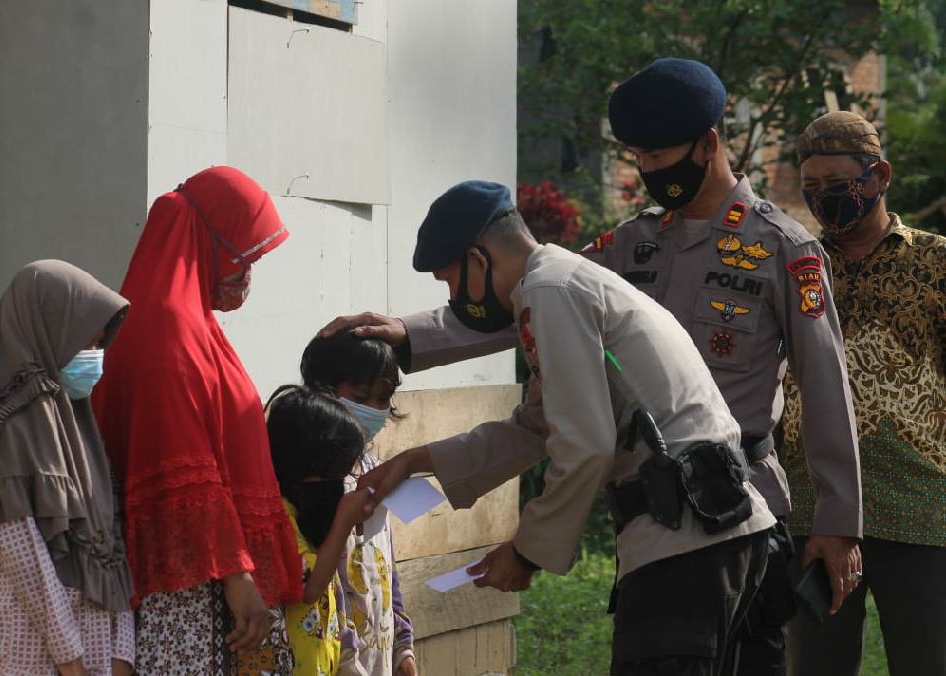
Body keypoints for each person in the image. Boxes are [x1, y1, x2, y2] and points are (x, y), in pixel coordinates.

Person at [328, 58, 864, 676]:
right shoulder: (622, 247)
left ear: (708, 144)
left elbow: (826, 387)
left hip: (736, 494)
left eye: (659, 155)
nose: (647, 171)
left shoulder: (782, 245)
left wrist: (839, 521)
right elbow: (514, 307)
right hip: (657, 503)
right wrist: (406, 338)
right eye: (638, 156)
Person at [357, 180, 778, 674]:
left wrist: (525, 552)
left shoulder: (549, 289)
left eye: (450, 280)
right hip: (713, 531)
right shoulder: (558, 283)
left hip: (687, 540)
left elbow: (586, 447)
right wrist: (413, 460)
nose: (453, 297)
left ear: (479, 258)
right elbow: (538, 426)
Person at [91, 166, 304, 675]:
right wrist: (236, 578)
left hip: (206, 575)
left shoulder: (189, 322)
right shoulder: (170, 329)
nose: (246, 271)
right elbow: (184, 463)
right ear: (207, 241)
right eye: (243, 256)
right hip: (191, 588)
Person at [781, 111, 946, 676]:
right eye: (811, 189)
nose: (824, 199)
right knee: (818, 666)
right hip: (813, 508)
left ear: (879, 177)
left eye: (837, 185)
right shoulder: (796, 265)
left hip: (921, 510)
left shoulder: (936, 263)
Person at [0, 260, 135, 676]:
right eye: (85, 342)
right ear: (48, 334)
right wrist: (70, 660)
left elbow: (111, 543)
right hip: (26, 655)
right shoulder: (11, 428)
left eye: (99, 343)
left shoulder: (81, 429)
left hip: (93, 658)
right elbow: (24, 554)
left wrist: (122, 653)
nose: (95, 357)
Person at [300, 331, 417, 676]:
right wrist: (348, 660)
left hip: (378, 659)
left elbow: (387, 566)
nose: (375, 411)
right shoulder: (313, 481)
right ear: (322, 392)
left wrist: (402, 646)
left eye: (384, 399)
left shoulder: (373, 471)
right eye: (361, 396)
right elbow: (319, 582)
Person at [245, 385, 373, 675]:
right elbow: (309, 587)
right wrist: (344, 520)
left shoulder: (305, 509)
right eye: (339, 468)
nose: (343, 478)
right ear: (310, 458)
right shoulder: (278, 515)